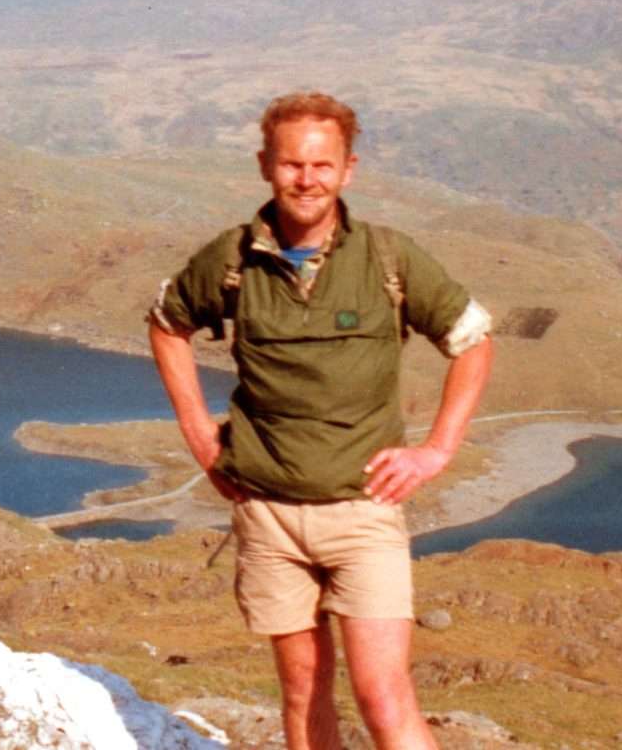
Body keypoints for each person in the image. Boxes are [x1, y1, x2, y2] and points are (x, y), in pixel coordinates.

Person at [148, 92, 494, 750]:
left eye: (321, 165)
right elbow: (167, 326)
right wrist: (200, 437)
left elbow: (473, 340)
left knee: (383, 695)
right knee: (304, 691)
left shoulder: (389, 261)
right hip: (268, 516)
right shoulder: (229, 261)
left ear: (348, 169)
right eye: (291, 164)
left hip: (362, 512)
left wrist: (437, 450)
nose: (306, 179)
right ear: (265, 166)